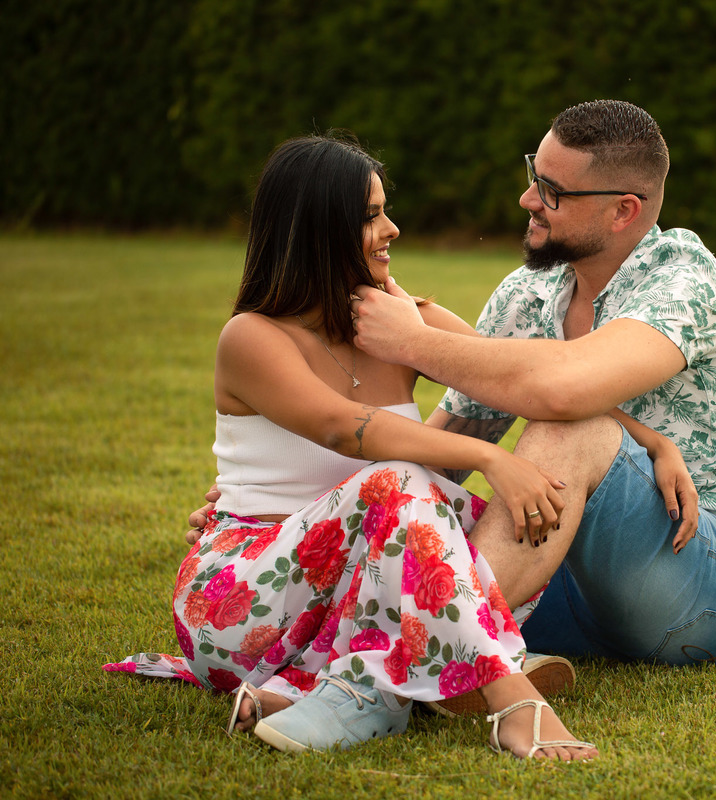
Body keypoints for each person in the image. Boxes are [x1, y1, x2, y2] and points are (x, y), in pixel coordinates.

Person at [106, 133, 598, 762]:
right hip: (241, 605)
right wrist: (489, 456)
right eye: (370, 215)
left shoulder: (400, 320)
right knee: (400, 481)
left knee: (474, 519)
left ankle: (367, 682)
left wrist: (648, 441)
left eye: (385, 210)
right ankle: (511, 697)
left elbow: (526, 379)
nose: (391, 228)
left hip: (352, 592)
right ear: (316, 227)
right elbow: (344, 429)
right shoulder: (251, 338)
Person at [350, 99, 716, 670]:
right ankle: (374, 647)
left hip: (713, 586)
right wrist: (296, 513)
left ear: (623, 211)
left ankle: (397, 672)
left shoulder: (686, 279)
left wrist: (410, 340)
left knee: (573, 431)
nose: (528, 200)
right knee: (415, 503)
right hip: (564, 587)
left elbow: (567, 393)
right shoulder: (526, 293)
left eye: (553, 191)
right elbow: (438, 452)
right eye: (534, 176)